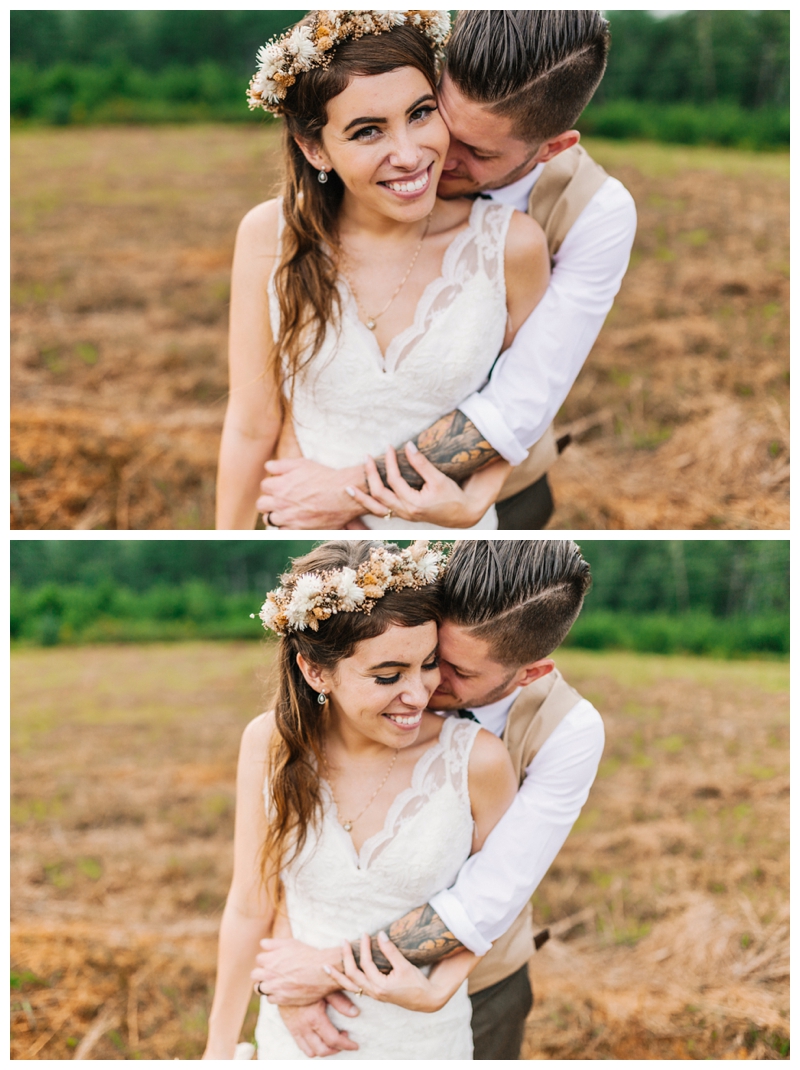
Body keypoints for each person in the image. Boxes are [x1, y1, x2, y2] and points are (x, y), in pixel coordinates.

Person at [255, 10, 637, 530]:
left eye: (477, 152)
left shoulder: (597, 213)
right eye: (436, 113)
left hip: (495, 495)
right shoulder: (296, 221)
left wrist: (353, 491)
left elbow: (522, 397)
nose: (425, 157)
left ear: (552, 149)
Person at [251, 540, 605, 1060]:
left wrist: (324, 969)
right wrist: (293, 980)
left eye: (454, 672)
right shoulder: (304, 733)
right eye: (431, 654)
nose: (424, 689)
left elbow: (492, 890)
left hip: (476, 988)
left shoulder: (570, 731)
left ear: (529, 673)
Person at [202, 540, 519, 1059]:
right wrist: (220, 1047)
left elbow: (495, 903)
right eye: (388, 676)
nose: (419, 694)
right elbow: (249, 905)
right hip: (296, 1041)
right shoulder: (271, 744)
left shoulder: (477, 762)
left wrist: (437, 990)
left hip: (419, 1040)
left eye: (429, 664)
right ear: (315, 671)